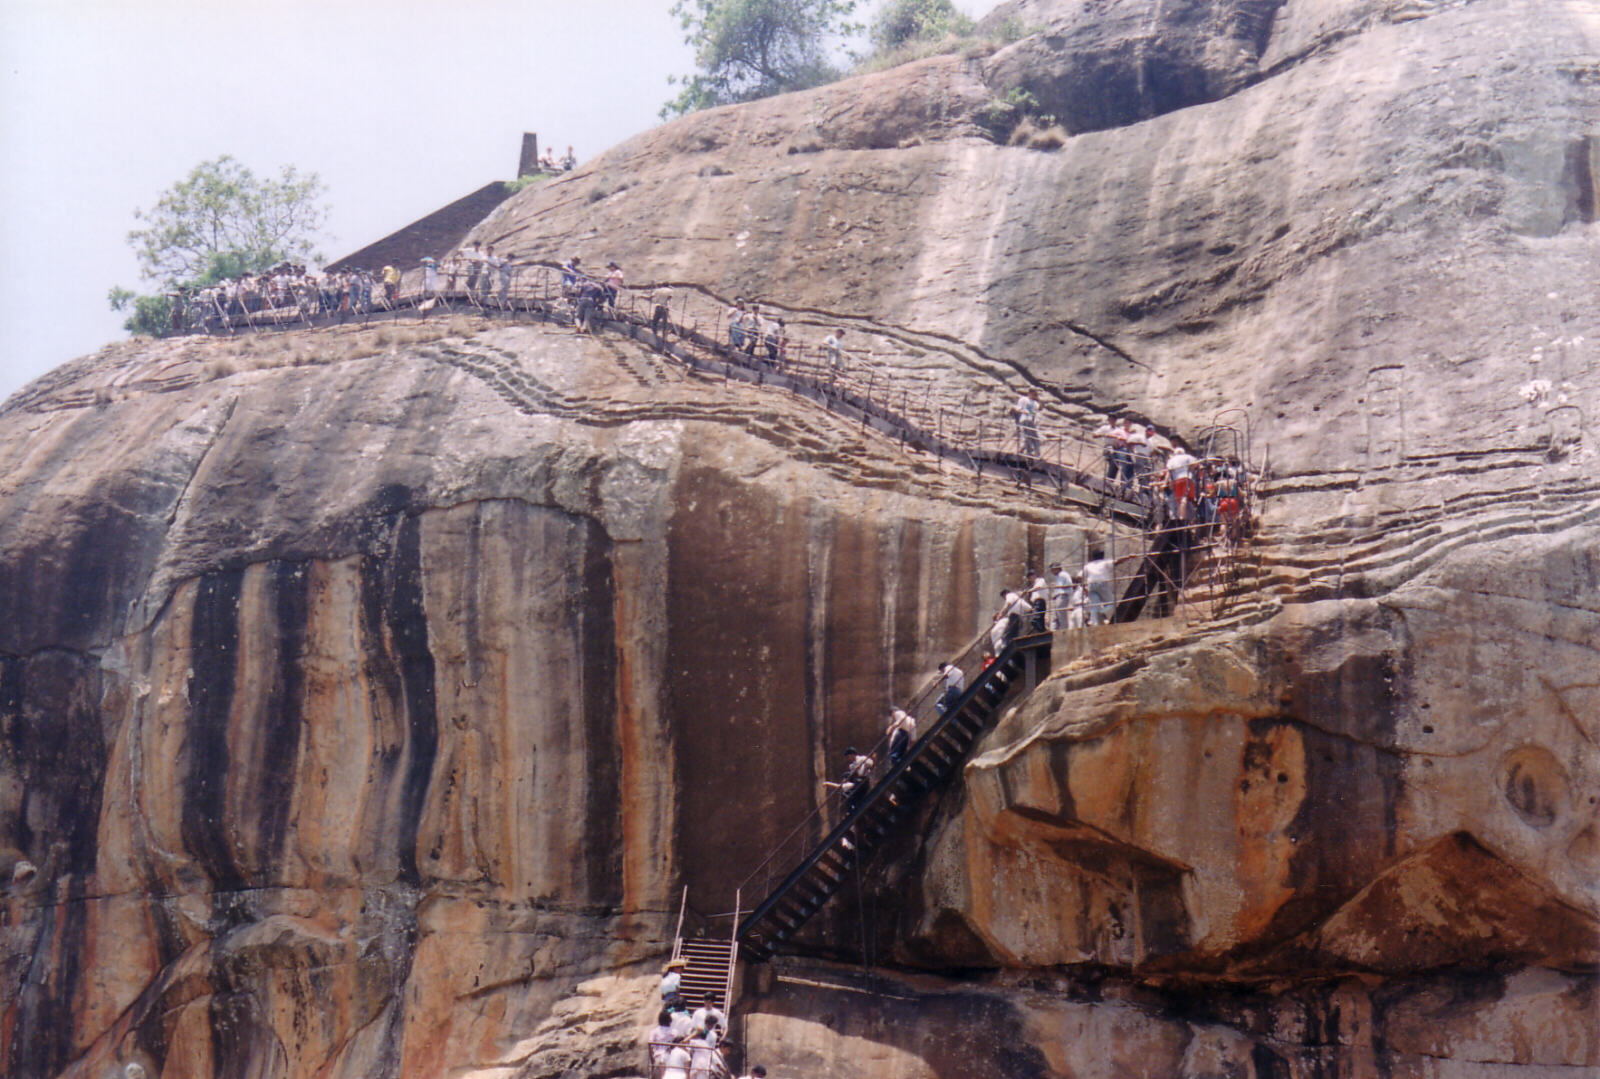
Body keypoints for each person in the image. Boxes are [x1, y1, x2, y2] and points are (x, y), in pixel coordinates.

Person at [1082, 548, 1116, 625]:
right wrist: (1128, 557)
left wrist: (1084, 588)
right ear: (1102, 556)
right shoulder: (1104, 562)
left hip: (1091, 585)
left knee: (1095, 605)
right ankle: (1102, 612)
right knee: (1111, 603)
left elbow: (1079, 577)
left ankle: (1094, 623)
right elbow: (1116, 562)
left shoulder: (1088, 565)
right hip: (1102, 584)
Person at [648, 1009, 676, 1077]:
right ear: (670, 1019)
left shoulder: (655, 1031)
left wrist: (652, 1060)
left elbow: (650, 1045)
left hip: (658, 1056)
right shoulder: (674, 1032)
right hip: (671, 1057)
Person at [1015, 389, 1041, 457]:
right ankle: (1028, 452)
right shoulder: (1023, 399)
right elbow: (1018, 409)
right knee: (1027, 436)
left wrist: (1039, 400)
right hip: (1024, 419)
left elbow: (1033, 410)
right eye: (1033, 394)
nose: (1033, 395)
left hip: (1030, 420)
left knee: (1035, 437)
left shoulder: (1034, 402)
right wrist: (1024, 412)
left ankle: (1037, 453)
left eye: (1035, 394)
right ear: (1029, 393)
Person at [1048, 562, 1073, 630]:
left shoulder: (1064, 574)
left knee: (1061, 614)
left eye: (1053, 570)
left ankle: (1064, 629)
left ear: (1057, 569)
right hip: (1057, 597)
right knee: (1055, 615)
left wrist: (1058, 587)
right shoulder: (1058, 576)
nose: (1052, 572)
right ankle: (1053, 630)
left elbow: (1069, 584)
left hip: (1062, 596)